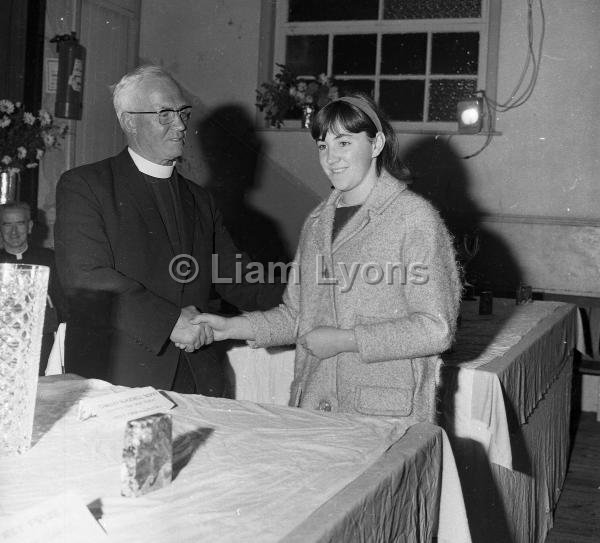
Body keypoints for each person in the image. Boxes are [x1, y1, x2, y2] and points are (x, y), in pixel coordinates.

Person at [196, 95, 461, 424]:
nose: (331, 158)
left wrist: (346, 341)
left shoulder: (414, 218)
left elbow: (436, 329)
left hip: (385, 414)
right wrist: (230, 327)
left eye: (344, 142)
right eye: (323, 145)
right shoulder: (318, 222)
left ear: (376, 143)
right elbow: (297, 316)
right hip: (315, 403)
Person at [54, 65, 282, 395]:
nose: (180, 125)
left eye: (183, 112)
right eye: (164, 113)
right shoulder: (86, 185)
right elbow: (86, 275)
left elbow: (240, 280)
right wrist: (169, 321)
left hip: (197, 377)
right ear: (129, 120)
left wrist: (311, 292)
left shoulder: (200, 199)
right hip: (117, 376)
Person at [0, 201, 65, 375]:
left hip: (43, 343)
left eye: (20, 224)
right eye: (7, 224)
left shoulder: (50, 259)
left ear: (29, 226)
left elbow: (63, 304)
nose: (14, 232)